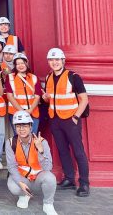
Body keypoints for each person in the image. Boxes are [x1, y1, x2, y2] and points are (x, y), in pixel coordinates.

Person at [42, 48, 89, 197]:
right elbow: (51, 99)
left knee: (78, 151)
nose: (54, 62)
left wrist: (75, 117)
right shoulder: (48, 77)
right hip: (55, 119)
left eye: (57, 59)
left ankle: (84, 183)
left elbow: (84, 99)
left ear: (63, 61)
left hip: (71, 119)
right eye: (51, 60)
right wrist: (46, 99)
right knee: (62, 150)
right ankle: (69, 179)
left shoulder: (73, 77)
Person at [6, 111, 57, 215]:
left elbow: (48, 168)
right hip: (23, 178)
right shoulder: (10, 143)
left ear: (30, 127)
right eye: (18, 126)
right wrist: (20, 183)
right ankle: (25, 195)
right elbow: (11, 166)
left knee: (50, 178)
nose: (21, 129)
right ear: (15, 128)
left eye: (25, 126)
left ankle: (48, 204)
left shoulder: (42, 142)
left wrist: (40, 151)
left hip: (38, 178)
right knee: (13, 186)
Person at [5, 53, 41, 133]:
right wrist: (22, 111)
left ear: (26, 63)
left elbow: (37, 96)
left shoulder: (34, 77)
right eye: (17, 64)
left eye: (22, 63)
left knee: (33, 136)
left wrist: (30, 110)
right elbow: (10, 96)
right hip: (16, 113)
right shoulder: (10, 77)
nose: (20, 66)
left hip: (32, 112)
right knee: (19, 136)